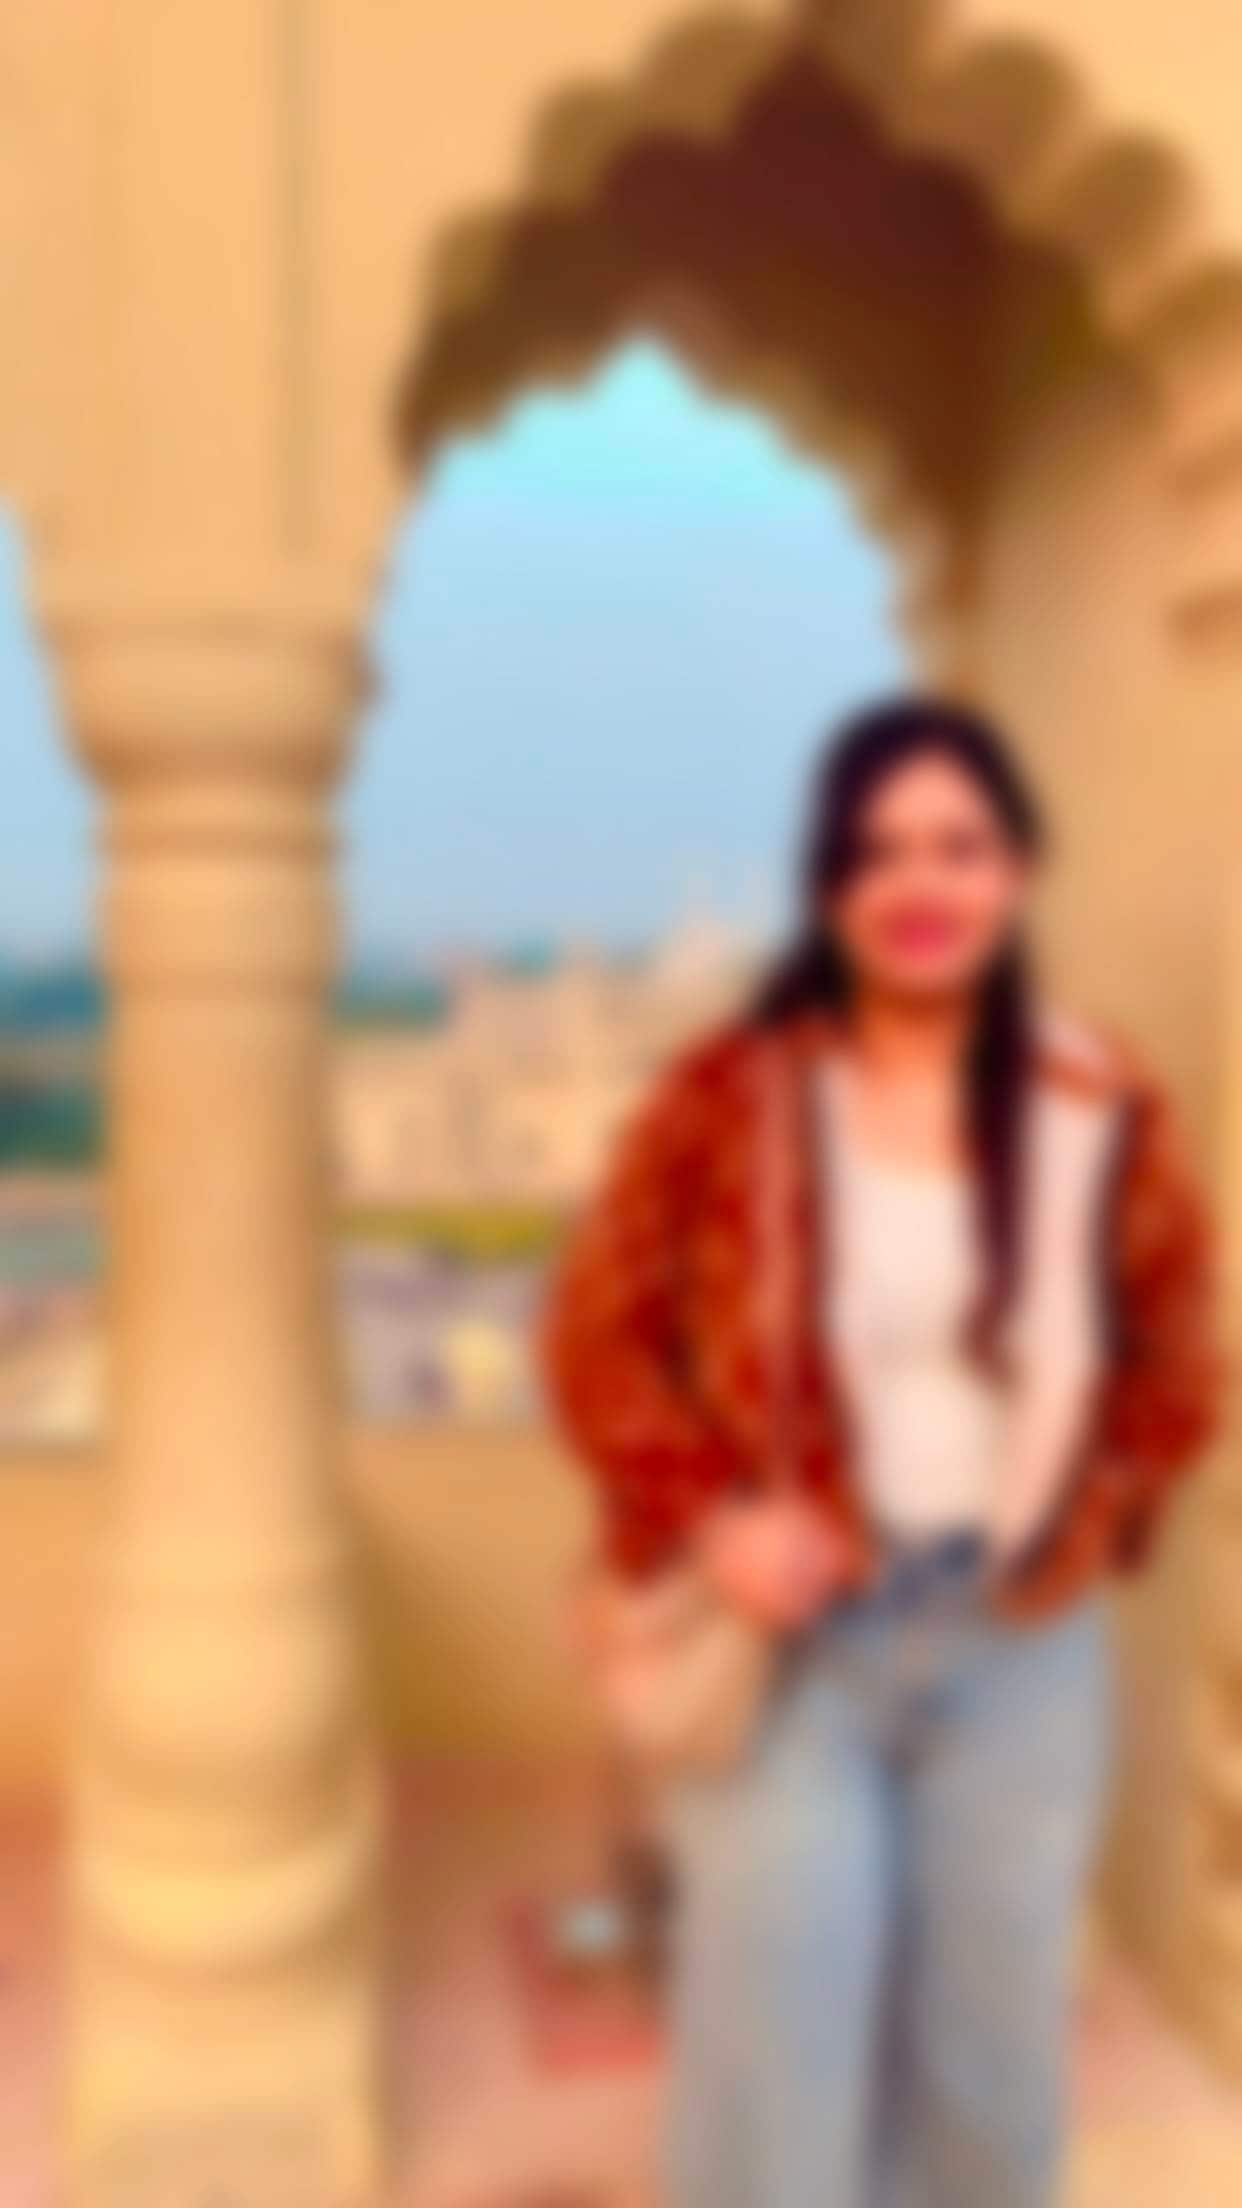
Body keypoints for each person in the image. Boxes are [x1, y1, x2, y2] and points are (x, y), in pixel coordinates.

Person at [541, 698, 1220, 2208]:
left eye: (957, 848)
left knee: (992, 2072)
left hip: (1018, 1651)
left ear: (1016, 872)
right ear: (829, 886)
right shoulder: (732, 1101)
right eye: (878, 851)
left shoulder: (1097, 1102)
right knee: (777, 2063)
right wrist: (714, 1516)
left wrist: (1096, 1508)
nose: (920, 884)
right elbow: (593, 1339)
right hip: (798, 1651)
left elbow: (1177, 1357)